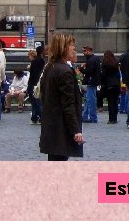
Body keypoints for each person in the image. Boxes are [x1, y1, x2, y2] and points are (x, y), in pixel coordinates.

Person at [39, 33, 84, 161]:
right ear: (63, 48)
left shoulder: (50, 67)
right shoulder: (65, 71)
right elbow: (68, 103)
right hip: (61, 129)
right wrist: (76, 130)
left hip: (51, 125)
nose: (74, 49)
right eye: (71, 45)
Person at [79, 45, 100, 123]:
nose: (83, 53)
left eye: (84, 51)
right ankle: (85, 116)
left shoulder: (90, 60)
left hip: (90, 81)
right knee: (88, 99)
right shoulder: (95, 58)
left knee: (90, 100)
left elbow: (88, 72)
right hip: (93, 81)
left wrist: (81, 69)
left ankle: (92, 117)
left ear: (89, 51)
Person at [100, 49, 121, 124]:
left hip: (109, 84)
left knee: (111, 102)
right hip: (116, 84)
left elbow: (103, 75)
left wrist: (102, 83)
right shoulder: (115, 63)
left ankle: (111, 118)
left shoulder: (105, 63)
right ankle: (115, 118)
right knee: (115, 102)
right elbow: (118, 74)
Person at [27, 45, 45, 124]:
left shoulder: (34, 61)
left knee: (34, 102)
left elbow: (33, 72)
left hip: (32, 82)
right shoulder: (41, 61)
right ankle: (38, 117)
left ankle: (36, 117)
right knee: (36, 102)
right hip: (36, 82)